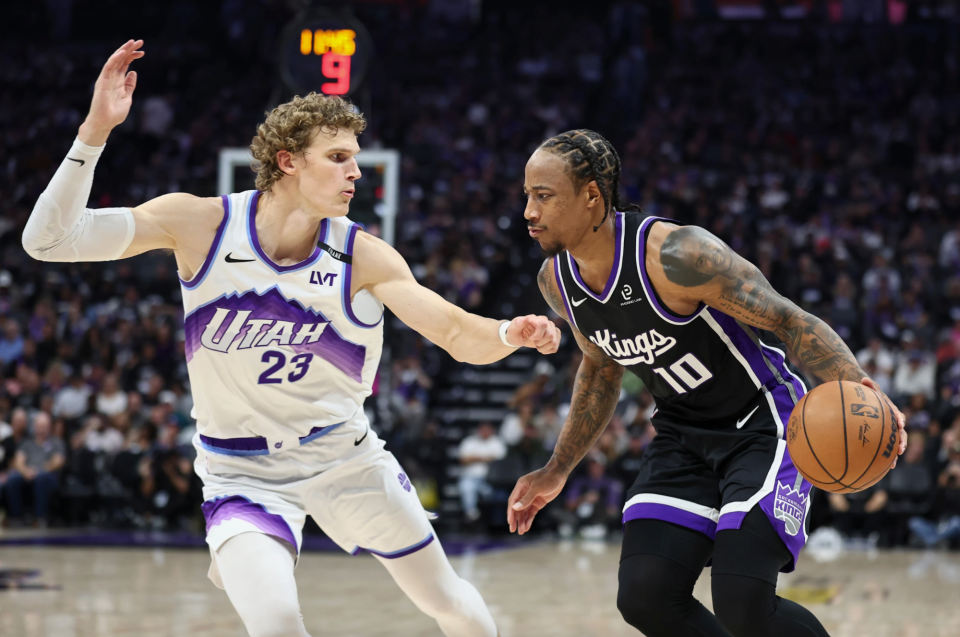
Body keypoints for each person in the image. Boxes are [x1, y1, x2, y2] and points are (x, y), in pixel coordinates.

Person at [23, 40, 560, 637]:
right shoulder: (200, 224)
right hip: (239, 472)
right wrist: (95, 131)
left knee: (448, 602)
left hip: (345, 459)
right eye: (338, 157)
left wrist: (509, 332)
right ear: (287, 161)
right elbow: (48, 241)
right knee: (276, 621)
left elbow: (456, 333)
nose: (356, 171)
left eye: (355, 157)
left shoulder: (363, 255)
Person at [507, 129, 907, 637]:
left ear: (591, 196)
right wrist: (558, 467)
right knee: (646, 597)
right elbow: (601, 367)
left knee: (743, 602)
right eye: (528, 195)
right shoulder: (557, 282)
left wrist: (866, 391)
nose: (529, 211)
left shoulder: (677, 255)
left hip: (761, 423)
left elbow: (789, 320)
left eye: (543, 196)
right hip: (681, 435)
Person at [5, 411, 65, 527]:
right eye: (39, 426)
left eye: (44, 426)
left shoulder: (56, 442)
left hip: (48, 474)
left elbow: (58, 462)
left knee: (41, 479)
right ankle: (15, 517)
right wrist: (25, 471)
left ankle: (40, 517)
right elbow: (18, 461)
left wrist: (39, 470)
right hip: (28, 473)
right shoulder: (27, 443)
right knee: (13, 478)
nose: (42, 429)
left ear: (49, 427)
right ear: (35, 427)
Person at [458, 422, 507, 523]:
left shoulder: (497, 442)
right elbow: (463, 460)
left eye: (487, 430)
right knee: (466, 488)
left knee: (494, 494)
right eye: (482, 429)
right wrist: (486, 458)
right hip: (470, 477)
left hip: (491, 480)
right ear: (478, 430)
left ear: (492, 430)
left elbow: (500, 461)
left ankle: (493, 521)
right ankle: (472, 516)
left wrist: (474, 458)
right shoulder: (469, 441)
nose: (485, 432)